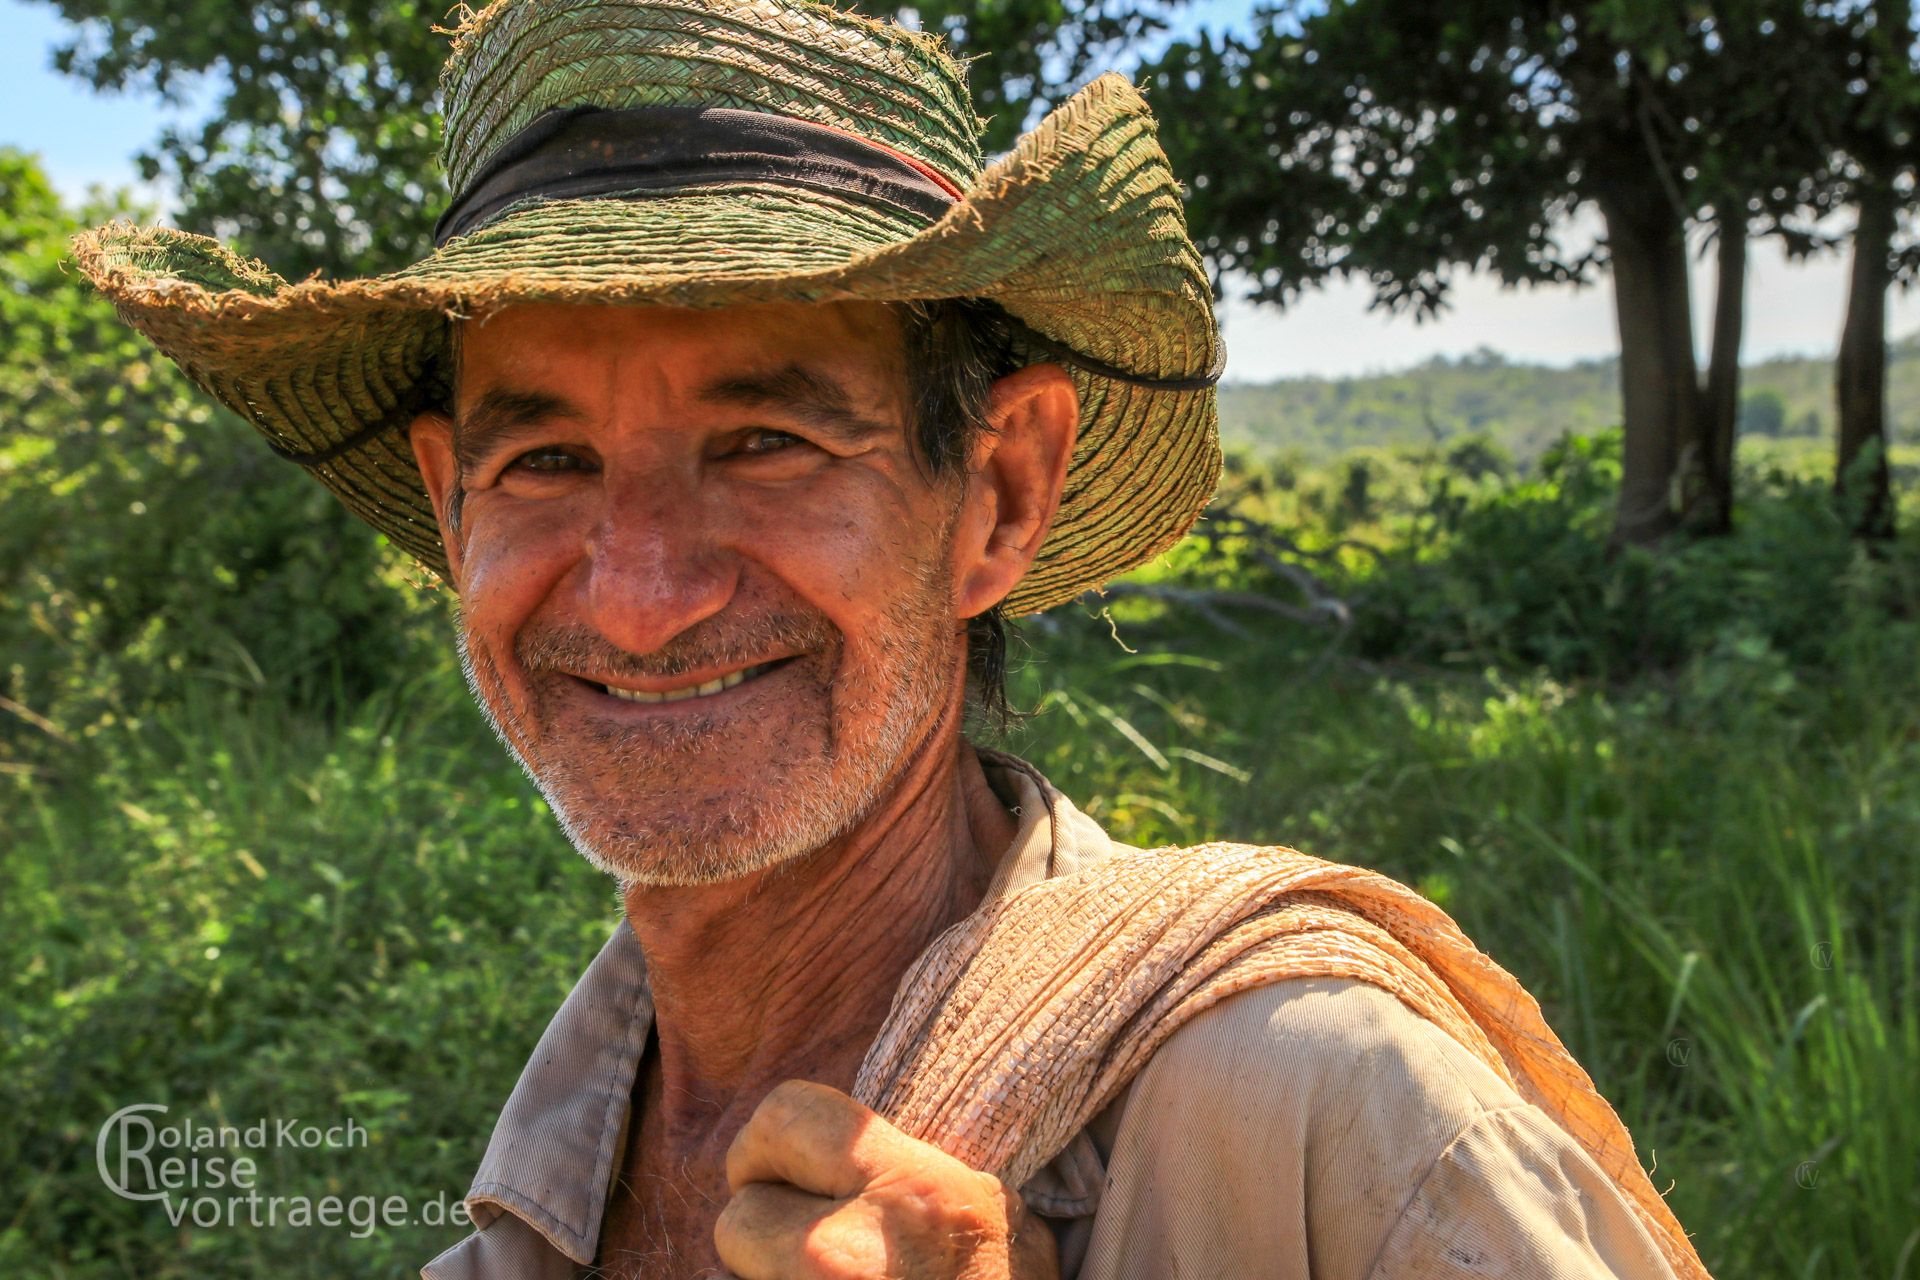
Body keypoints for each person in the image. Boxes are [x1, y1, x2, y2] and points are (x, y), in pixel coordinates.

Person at [75, 1, 1714, 1277]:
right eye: (546, 461)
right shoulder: (565, 1150)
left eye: (771, 444)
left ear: (999, 493)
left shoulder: (1325, 1111)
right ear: (452, 516)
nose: (639, 594)